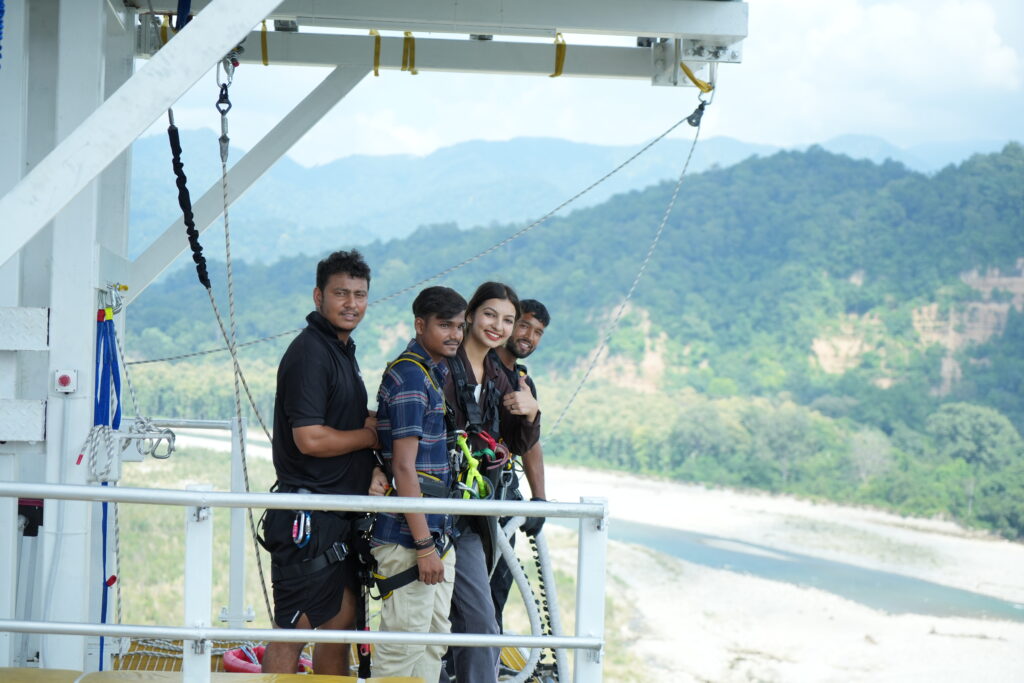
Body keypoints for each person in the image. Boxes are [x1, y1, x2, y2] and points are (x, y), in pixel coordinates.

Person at [261, 249, 385, 675]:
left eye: (360, 294)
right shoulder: (311, 352)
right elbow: (310, 438)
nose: (351, 303)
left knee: (340, 624)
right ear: (319, 296)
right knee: (295, 626)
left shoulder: (341, 350)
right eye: (340, 293)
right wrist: (370, 436)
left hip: (336, 514)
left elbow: (341, 419)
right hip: (308, 516)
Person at [442, 282, 541, 683]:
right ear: (470, 314)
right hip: (430, 511)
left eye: (507, 319)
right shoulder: (440, 363)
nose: (498, 326)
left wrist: (531, 412)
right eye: (490, 315)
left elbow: (516, 444)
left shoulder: (503, 377)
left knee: (480, 621)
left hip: (472, 517)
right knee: (433, 626)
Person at [370, 286, 467, 680]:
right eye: (445, 325)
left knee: (432, 642)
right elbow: (405, 468)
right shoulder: (412, 377)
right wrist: (426, 546)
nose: (455, 335)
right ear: (420, 325)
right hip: (412, 537)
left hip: (434, 534)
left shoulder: (431, 372)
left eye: (460, 326)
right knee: (402, 649)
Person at [490, 299, 552, 632]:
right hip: (472, 497)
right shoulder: (479, 366)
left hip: (503, 498)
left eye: (538, 332)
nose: (529, 336)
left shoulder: (523, 381)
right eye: (524, 325)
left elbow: (530, 444)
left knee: (497, 592)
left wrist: (539, 500)